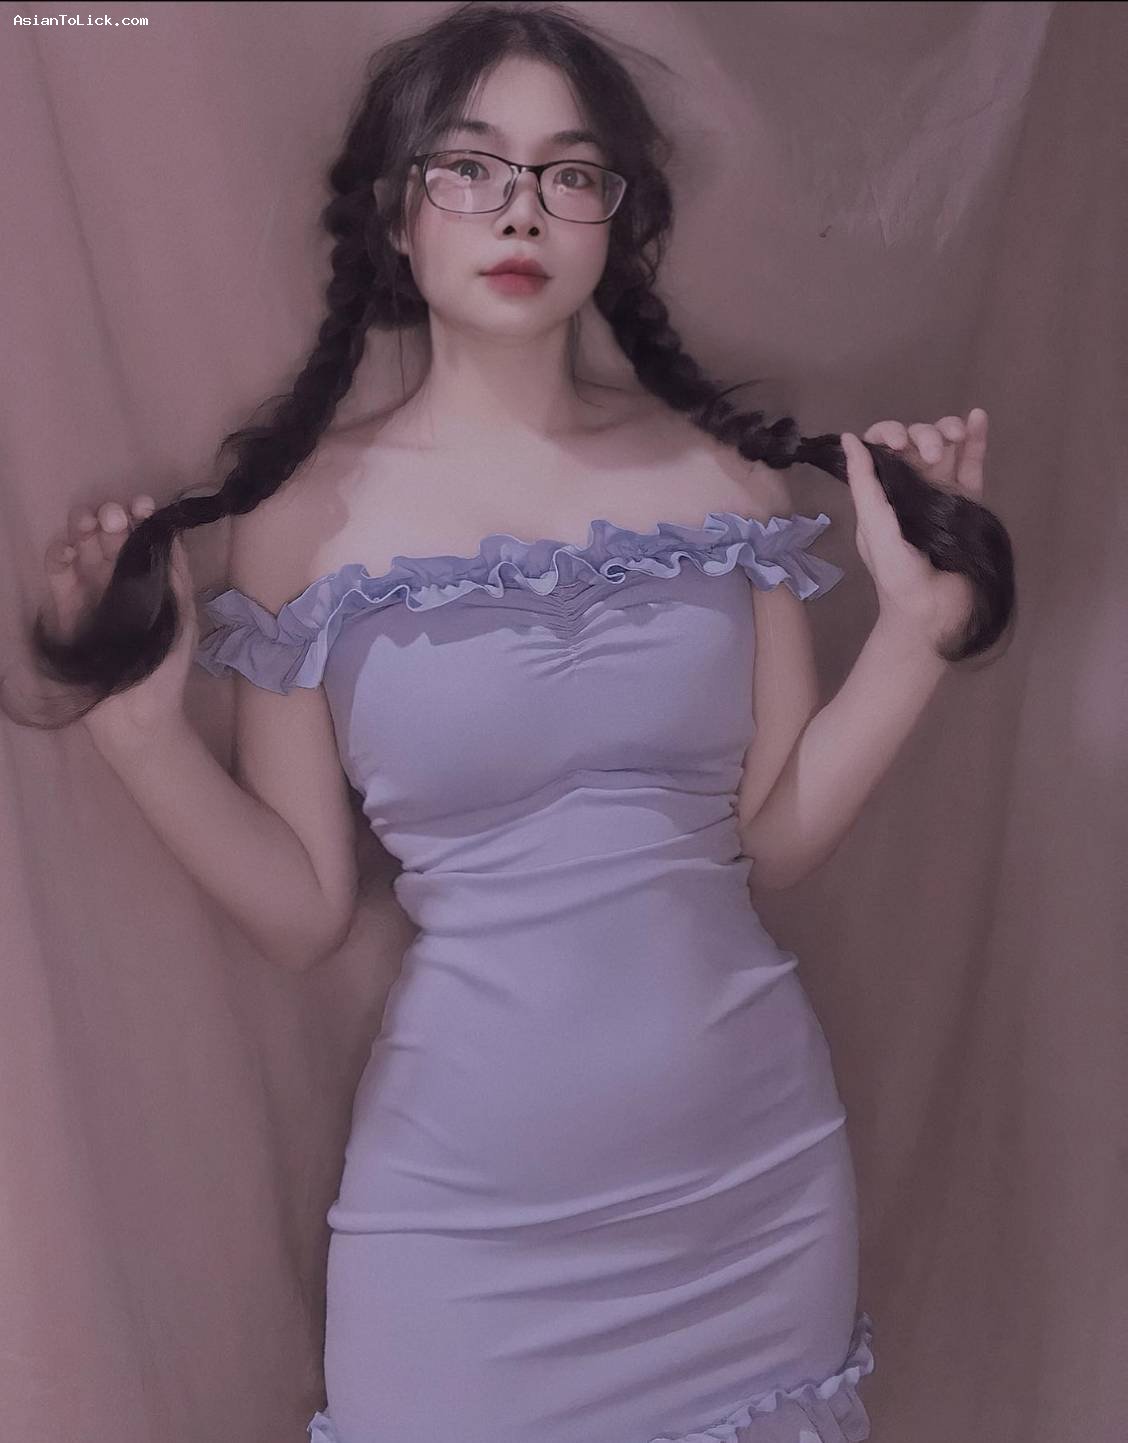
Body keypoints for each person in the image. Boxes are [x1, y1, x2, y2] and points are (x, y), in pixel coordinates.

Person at [15, 4, 1016, 1440]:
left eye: (569, 171)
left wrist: (918, 639)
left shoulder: (726, 479)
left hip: (751, 1187)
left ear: (620, 218)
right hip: (464, 1217)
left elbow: (776, 837)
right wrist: (140, 735)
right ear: (394, 214)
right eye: (471, 166)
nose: (522, 209)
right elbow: (304, 911)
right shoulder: (301, 523)